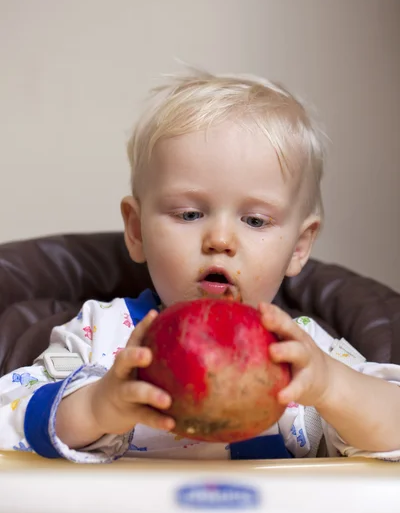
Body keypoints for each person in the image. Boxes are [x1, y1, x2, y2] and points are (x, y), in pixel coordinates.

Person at [1, 70, 400, 463]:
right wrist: (95, 407)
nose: (220, 240)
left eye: (256, 221)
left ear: (298, 247)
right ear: (137, 230)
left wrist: (332, 388)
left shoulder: (304, 353)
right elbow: (10, 414)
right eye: (190, 214)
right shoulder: (98, 336)